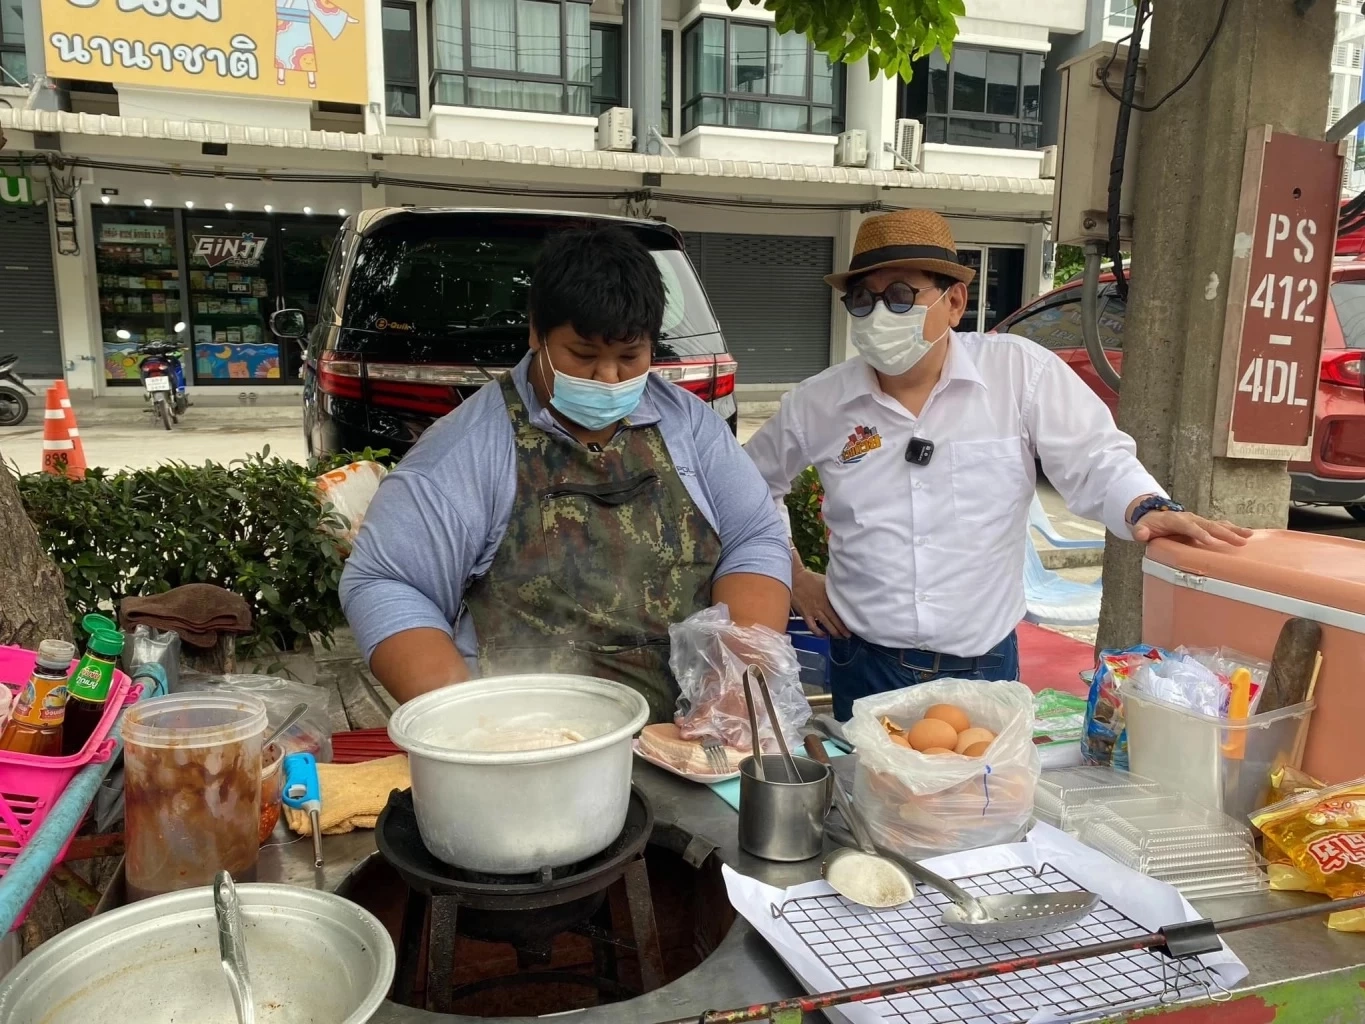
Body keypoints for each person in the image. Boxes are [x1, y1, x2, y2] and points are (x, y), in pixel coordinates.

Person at [744, 209, 1251, 720]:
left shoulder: (1018, 374)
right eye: (862, 300)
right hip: (868, 662)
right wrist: (793, 573)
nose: (878, 314)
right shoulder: (819, 404)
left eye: (900, 295)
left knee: (979, 799)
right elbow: (750, 486)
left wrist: (1145, 505)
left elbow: (1096, 457)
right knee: (872, 798)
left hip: (983, 667)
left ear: (955, 301)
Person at [341, 226, 792, 718]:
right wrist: (466, 722)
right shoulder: (468, 450)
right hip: (531, 745)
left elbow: (752, 538)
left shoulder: (691, 428)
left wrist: (735, 685)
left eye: (629, 356)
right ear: (537, 332)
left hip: (689, 735)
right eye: (583, 355)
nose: (608, 377)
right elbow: (385, 582)